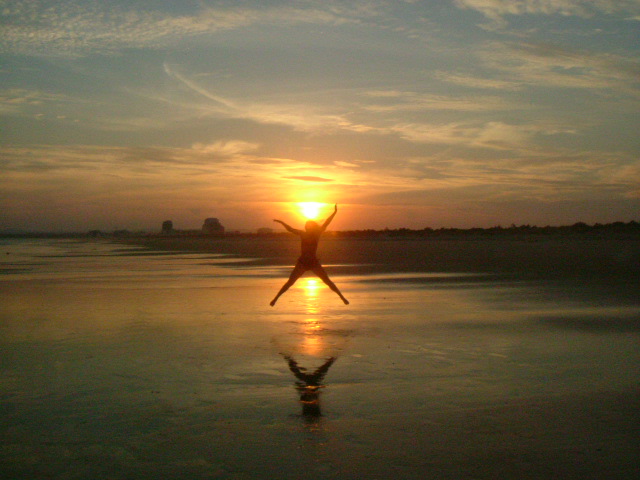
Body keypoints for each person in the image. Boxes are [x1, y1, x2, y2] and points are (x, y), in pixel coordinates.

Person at [270, 204, 349, 306]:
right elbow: (290, 229)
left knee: (327, 281)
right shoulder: (303, 234)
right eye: (306, 225)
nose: (307, 227)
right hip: (302, 263)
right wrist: (281, 222)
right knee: (290, 282)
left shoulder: (317, 234)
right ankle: (275, 299)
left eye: (308, 225)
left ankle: (342, 297)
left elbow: (326, 223)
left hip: (313, 262)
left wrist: (334, 213)